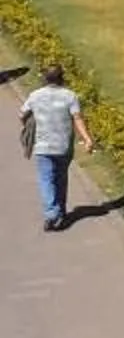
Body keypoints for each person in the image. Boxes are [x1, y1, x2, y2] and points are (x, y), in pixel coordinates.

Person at [19, 63, 89, 233]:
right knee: (61, 178)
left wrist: (28, 123)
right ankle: (61, 211)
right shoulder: (70, 96)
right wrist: (87, 139)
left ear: (44, 78)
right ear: (61, 77)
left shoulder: (35, 95)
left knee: (46, 179)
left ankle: (52, 213)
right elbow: (77, 118)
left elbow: (22, 114)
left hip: (43, 146)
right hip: (63, 146)